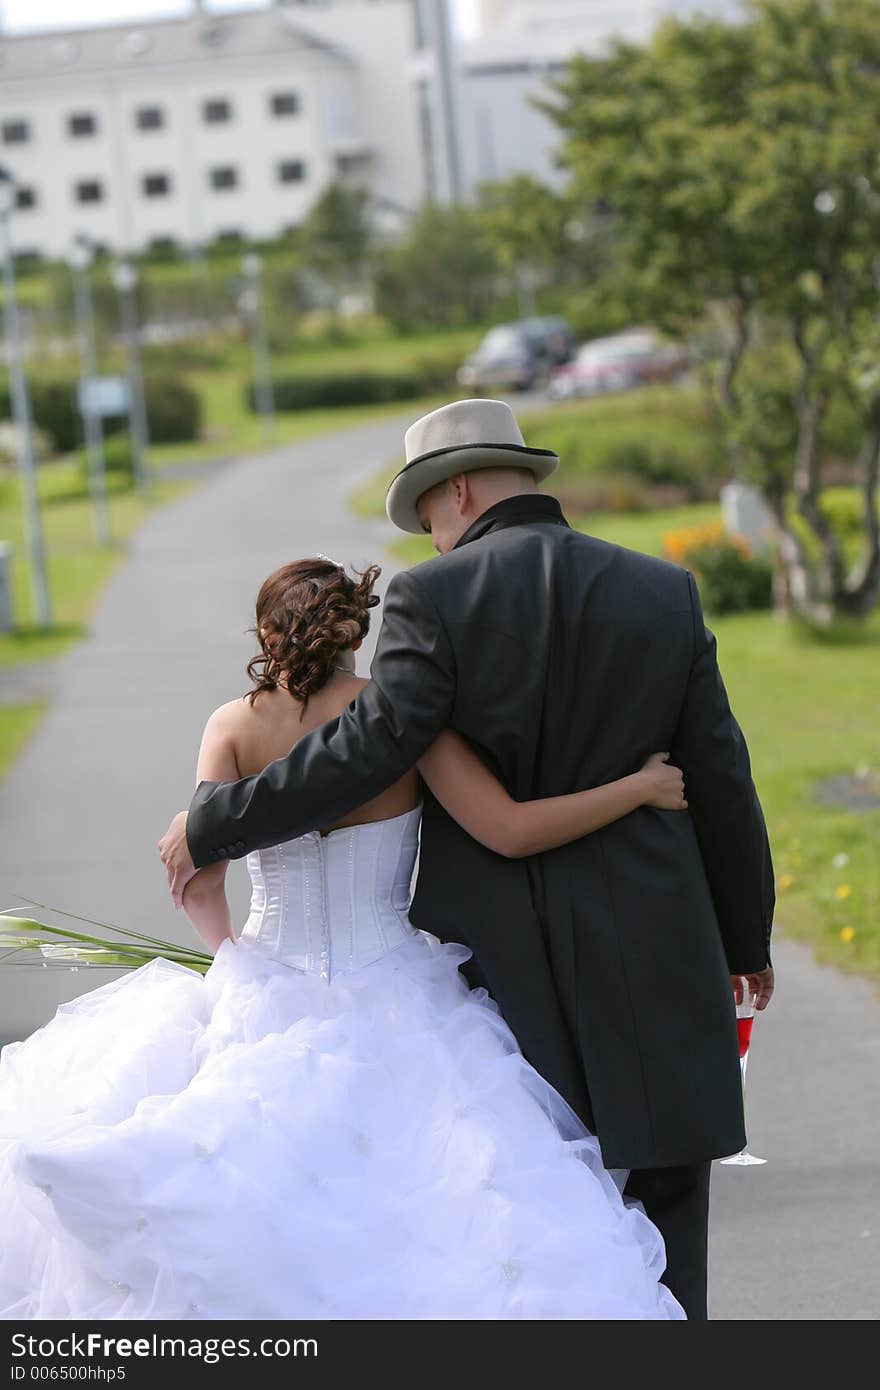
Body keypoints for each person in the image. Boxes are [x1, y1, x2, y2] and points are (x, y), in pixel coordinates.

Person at [159, 398, 776, 1320]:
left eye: (428, 520)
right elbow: (721, 773)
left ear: (455, 491)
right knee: (666, 1204)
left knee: (529, 1219)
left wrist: (214, 823)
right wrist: (744, 939)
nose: (435, 540)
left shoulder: (433, 596)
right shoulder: (662, 590)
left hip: (505, 965)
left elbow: (367, 747)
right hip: (656, 941)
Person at [0, 557, 692, 1320]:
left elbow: (199, 879)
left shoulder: (231, 727)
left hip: (264, 980)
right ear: (354, 632)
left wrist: (229, 962)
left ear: (267, 632)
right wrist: (640, 788)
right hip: (399, 989)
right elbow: (510, 830)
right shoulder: (401, 719)